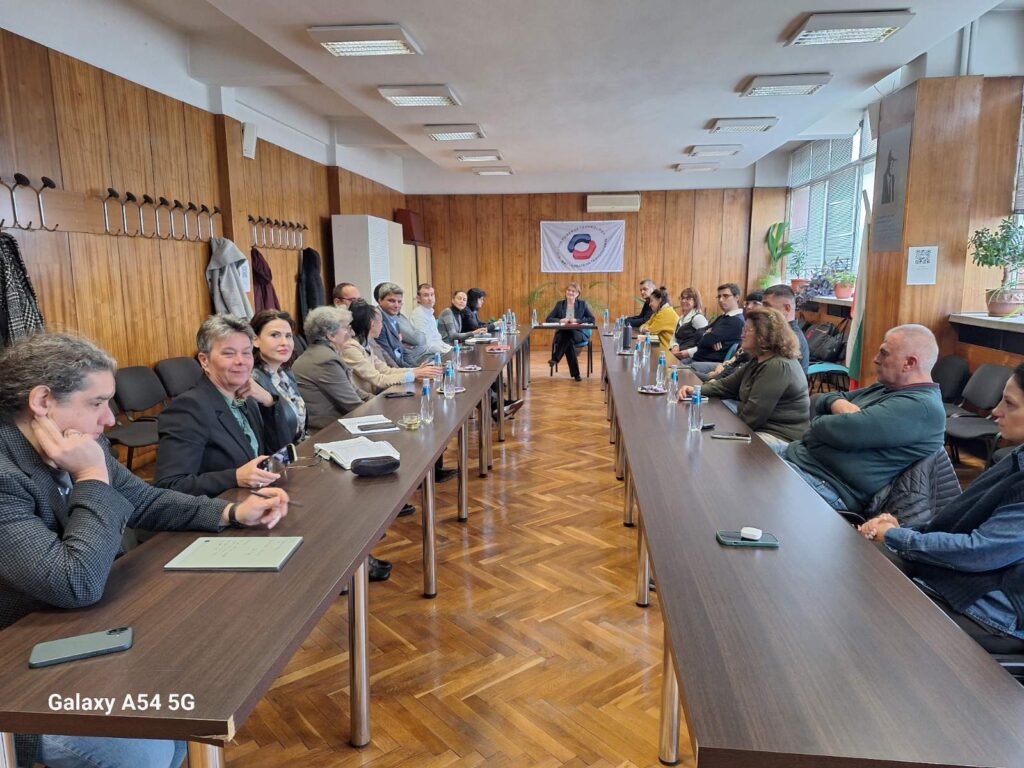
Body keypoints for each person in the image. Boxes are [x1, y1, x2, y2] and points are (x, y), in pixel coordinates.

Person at [0, 333, 287, 768]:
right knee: (146, 750)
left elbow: (144, 499)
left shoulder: (80, 442)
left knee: (185, 710)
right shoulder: (9, 472)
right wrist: (92, 477)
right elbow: (74, 582)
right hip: (19, 668)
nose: (110, 420)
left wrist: (230, 512)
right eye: (97, 403)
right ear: (42, 401)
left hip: (80, 631)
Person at [857, 363, 1024, 654]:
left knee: (871, 607)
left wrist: (896, 536)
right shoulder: (1017, 457)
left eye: (1009, 404)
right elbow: (967, 522)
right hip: (970, 584)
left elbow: (978, 551)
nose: (996, 411)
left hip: (991, 613)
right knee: (862, 566)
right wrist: (904, 531)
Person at [775, 324, 945, 514]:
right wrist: (836, 403)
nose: (875, 359)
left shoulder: (921, 407)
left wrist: (817, 424)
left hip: (826, 484)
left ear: (909, 363)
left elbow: (838, 431)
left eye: (884, 353)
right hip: (800, 458)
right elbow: (816, 401)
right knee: (746, 454)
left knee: (751, 484)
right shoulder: (888, 388)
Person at [155, 315, 286, 498]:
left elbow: (278, 450)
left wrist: (269, 401)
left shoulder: (245, 397)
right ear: (204, 361)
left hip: (256, 498)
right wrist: (235, 477)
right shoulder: (188, 409)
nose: (241, 361)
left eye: (246, 353)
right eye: (229, 353)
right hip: (220, 507)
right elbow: (170, 485)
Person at [680, 307, 809, 444]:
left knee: (715, 445)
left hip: (778, 437)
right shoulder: (758, 360)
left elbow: (753, 416)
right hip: (757, 429)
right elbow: (725, 386)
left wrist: (725, 428)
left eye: (748, 330)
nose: (742, 334)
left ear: (764, 334)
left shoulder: (777, 366)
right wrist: (696, 390)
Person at [292, 305, 372, 429]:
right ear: (331, 336)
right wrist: (382, 409)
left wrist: (380, 400)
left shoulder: (322, 354)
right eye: (346, 328)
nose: (351, 333)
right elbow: (353, 405)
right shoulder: (325, 360)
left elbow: (354, 391)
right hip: (327, 431)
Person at [343, 300, 441, 393]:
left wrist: (416, 370)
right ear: (372, 325)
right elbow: (378, 379)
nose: (382, 326)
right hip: (366, 401)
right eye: (381, 322)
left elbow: (386, 370)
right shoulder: (351, 349)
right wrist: (414, 374)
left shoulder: (366, 344)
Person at [251, 309, 307, 445]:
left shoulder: (286, 373)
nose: (284, 342)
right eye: (275, 335)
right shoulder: (253, 381)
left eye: (288, 336)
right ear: (255, 340)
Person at [675, 283, 745, 374]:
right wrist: (708, 335)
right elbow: (698, 333)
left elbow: (704, 341)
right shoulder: (723, 317)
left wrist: (708, 336)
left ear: (737, 297)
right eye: (719, 296)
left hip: (707, 363)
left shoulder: (736, 321)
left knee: (673, 370)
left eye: (725, 296)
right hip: (698, 359)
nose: (721, 300)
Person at [546, 282, 596, 382]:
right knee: (568, 339)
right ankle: (576, 374)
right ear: (566, 291)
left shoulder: (582, 304)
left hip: (578, 333)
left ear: (577, 294)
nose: (570, 292)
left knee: (568, 335)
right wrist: (560, 320)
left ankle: (555, 358)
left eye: (573, 291)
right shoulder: (560, 304)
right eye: (569, 290)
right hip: (563, 334)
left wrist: (577, 320)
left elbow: (592, 319)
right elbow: (548, 319)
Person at [374, 281, 432, 366]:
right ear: (380, 301)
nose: (396, 305)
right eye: (391, 301)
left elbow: (403, 352)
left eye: (399, 301)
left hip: (403, 365)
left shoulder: (393, 318)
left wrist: (416, 368)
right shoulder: (377, 321)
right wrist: (414, 371)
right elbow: (391, 358)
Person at [762, 284, 810, 374]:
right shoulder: (776, 331)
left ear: (787, 308)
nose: (762, 311)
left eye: (767, 306)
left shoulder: (790, 338)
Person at [410, 283, 452, 356]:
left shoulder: (429, 313)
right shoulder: (418, 315)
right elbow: (427, 345)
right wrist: (448, 351)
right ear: (418, 298)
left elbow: (437, 340)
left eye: (432, 294)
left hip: (436, 352)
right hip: (424, 356)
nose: (430, 298)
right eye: (426, 295)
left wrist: (450, 348)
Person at [669, 287, 708, 356]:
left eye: (688, 299)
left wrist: (688, 352)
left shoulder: (698, 318)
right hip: (678, 354)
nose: (683, 301)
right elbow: (674, 338)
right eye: (682, 298)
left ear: (695, 301)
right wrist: (675, 346)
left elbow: (706, 343)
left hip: (691, 357)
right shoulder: (681, 318)